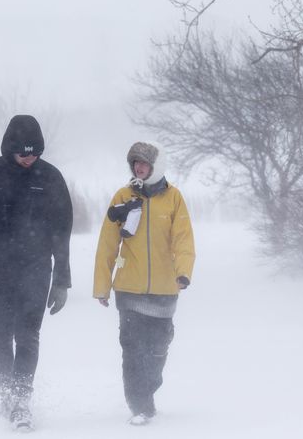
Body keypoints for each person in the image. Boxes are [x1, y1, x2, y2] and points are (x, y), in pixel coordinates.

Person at [0, 114, 73, 431]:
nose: (28, 158)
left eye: (34, 152)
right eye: (22, 152)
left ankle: (20, 401)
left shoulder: (50, 178)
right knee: (1, 335)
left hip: (36, 270)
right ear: (10, 148)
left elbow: (62, 233)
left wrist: (62, 279)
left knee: (29, 335)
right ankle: (4, 395)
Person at [93, 141, 195, 426]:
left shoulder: (174, 198)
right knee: (132, 348)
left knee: (158, 349)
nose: (139, 167)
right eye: (135, 163)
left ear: (156, 167)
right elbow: (107, 245)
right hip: (128, 288)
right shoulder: (123, 196)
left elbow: (184, 239)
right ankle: (139, 404)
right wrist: (102, 286)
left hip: (165, 289)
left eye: (144, 163)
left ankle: (148, 391)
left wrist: (183, 272)